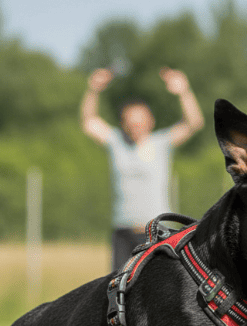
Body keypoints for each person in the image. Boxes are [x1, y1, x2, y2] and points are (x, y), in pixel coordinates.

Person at [81, 67, 205, 269]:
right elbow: (89, 122)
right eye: (130, 120)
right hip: (123, 231)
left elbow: (194, 123)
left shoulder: (161, 143)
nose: (135, 124)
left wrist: (184, 91)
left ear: (150, 121)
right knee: (119, 285)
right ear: (123, 123)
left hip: (157, 232)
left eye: (140, 119)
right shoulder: (116, 142)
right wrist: (92, 89)